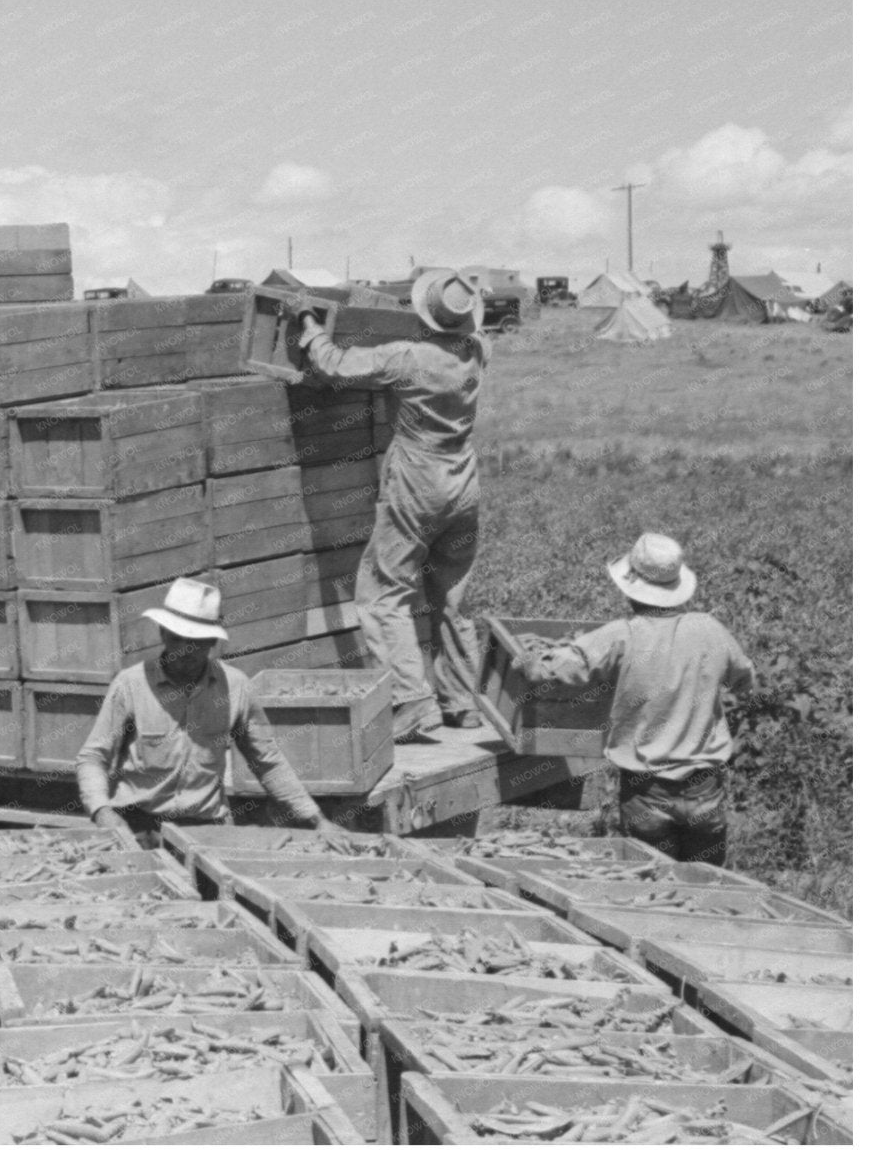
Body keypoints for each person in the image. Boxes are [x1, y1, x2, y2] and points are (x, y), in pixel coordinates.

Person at [297, 267, 490, 741]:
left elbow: (334, 365)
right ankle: (462, 702)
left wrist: (307, 321)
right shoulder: (477, 351)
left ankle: (410, 702)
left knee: (382, 594)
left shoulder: (407, 357)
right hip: (463, 479)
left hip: (418, 481)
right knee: (451, 596)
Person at [516, 533, 752, 865]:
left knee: (650, 884)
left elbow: (554, 671)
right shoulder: (710, 629)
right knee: (706, 887)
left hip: (647, 791)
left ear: (630, 589)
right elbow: (745, 679)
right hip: (705, 789)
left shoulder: (621, 635)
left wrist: (528, 661)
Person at [77, 576, 328, 841]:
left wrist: (317, 819)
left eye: (196, 641)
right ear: (162, 633)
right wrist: (102, 811)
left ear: (212, 642)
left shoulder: (235, 687)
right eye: (177, 638)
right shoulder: (131, 684)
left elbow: (267, 760)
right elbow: (94, 756)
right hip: (139, 824)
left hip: (205, 827)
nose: (185, 649)